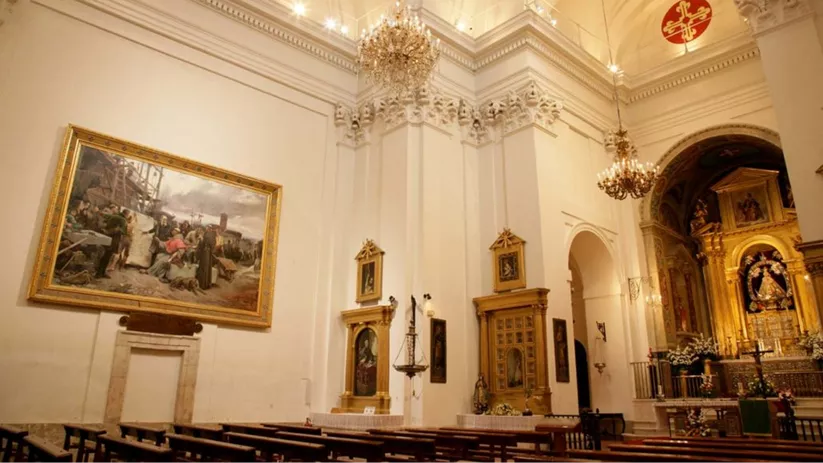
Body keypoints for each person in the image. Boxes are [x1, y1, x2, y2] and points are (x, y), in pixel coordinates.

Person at [95, 207, 128, 279]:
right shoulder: (123, 220)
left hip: (108, 238)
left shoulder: (114, 216)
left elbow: (104, 216)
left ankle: (101, 273)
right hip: (113, 240)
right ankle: (99, 273)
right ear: (126, 214)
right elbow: (123, 231)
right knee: (106, 257)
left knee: (106, 256)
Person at [196, 225, 217, 290]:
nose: (207, 229)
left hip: (206, 253)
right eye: (207, 228)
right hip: (204, 253)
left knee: (205, 267)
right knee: (203, 266)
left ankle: (203, 285)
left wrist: (202, 240)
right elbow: (203, 244)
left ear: (210, 229)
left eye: (208, 228)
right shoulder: (208, 234)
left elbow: (209, 244)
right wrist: (201, 240)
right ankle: (202, 283)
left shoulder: (211, 235)